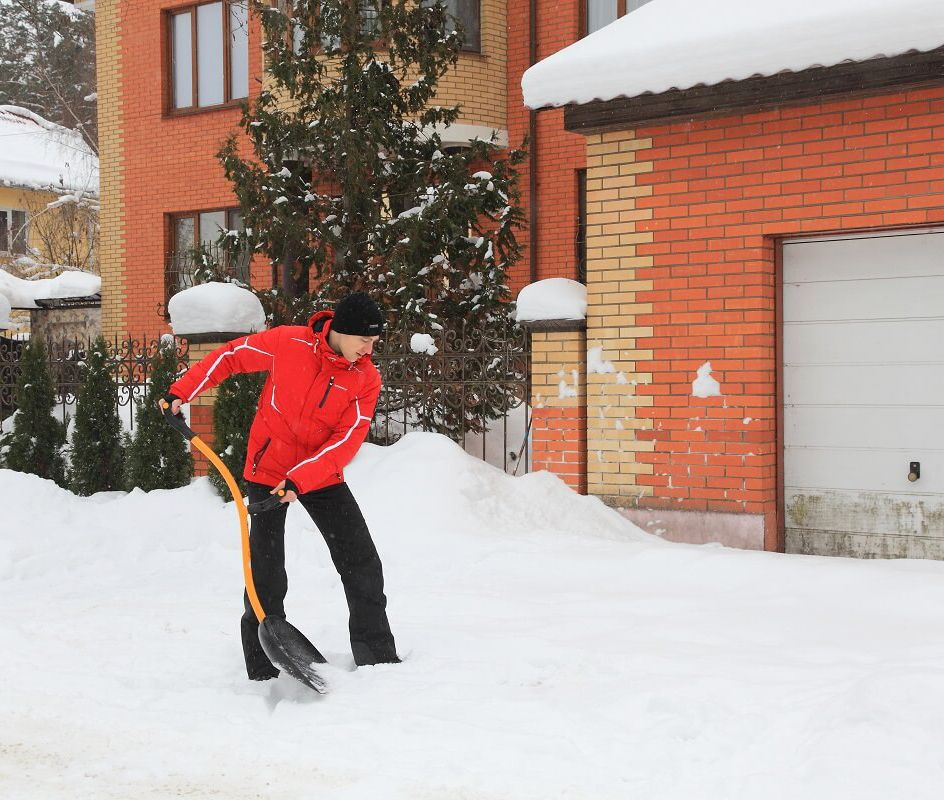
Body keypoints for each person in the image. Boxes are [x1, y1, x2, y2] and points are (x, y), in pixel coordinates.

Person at [165, 292, 398, 678]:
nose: (369, 349)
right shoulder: (288, 342)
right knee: (266, 572)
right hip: (268, 468)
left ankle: (378, 657)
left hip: (320, 475)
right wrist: (181, 391)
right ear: (342, 330)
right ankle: (262, 666)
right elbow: (231, 356)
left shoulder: (365, 378)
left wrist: (301, 479)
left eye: (374, 343)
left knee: (361, 561)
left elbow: (347, 440)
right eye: (365, 340)